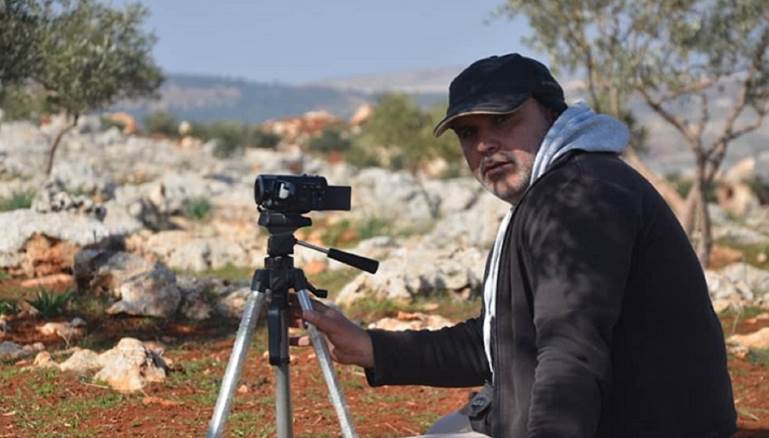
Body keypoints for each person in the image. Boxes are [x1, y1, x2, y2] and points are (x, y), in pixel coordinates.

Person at [294, 53, 737, 437]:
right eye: (467, 133)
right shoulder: (554, 192)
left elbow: (572, 351)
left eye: (503, 120)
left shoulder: (580, 198)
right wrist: (370, 347)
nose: (484, 144)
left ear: (552, 114)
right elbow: (500, 341)